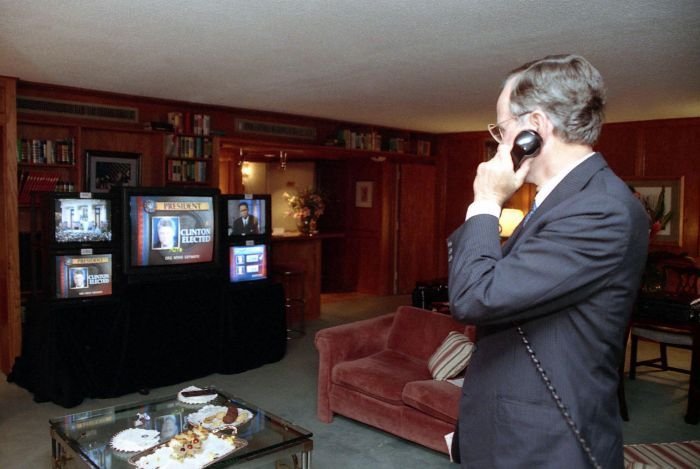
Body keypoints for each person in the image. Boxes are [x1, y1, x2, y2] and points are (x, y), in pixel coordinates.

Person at [447, 54, 649, 468]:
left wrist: (485, 201)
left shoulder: (600, 209)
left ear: (534, 128)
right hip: (511, 425)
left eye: (502, 128)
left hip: (543, 441)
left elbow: (475, 296)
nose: (500, 142)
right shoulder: (563, 200)